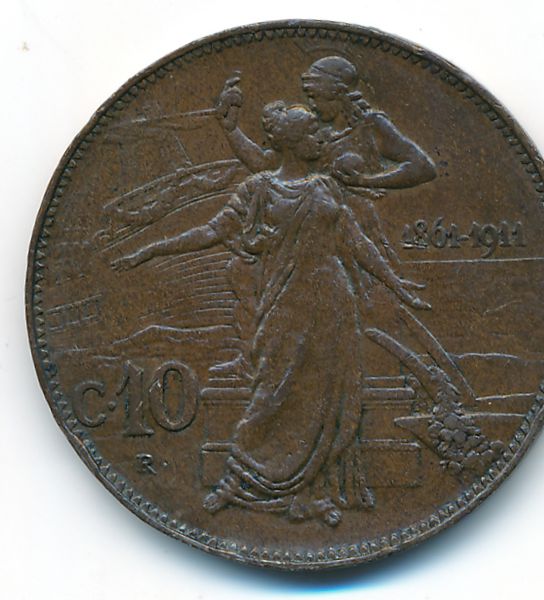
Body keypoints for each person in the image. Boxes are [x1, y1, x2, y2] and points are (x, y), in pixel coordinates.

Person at [114, 101, 430, 526]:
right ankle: (236, 481)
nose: (322, 138)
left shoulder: (327, 187)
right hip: (284, 303)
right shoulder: (257, 190)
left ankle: (312, 493)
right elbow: (212, 231)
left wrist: (397, 284)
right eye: (313, 133)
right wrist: (152, 249)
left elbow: (355, 242)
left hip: (334, 302)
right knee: (272, 392)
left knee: (329, 399)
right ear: (292, 142)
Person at [215, 56, 436, 275]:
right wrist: (232, 131)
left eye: (315, 97)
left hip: (360, 236)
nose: (311, 105)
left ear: (337, 92)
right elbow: (267, 165)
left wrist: (364, 181)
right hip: (317, 240)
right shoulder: (316, 135)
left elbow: (422, 167)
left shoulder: (370, 126)